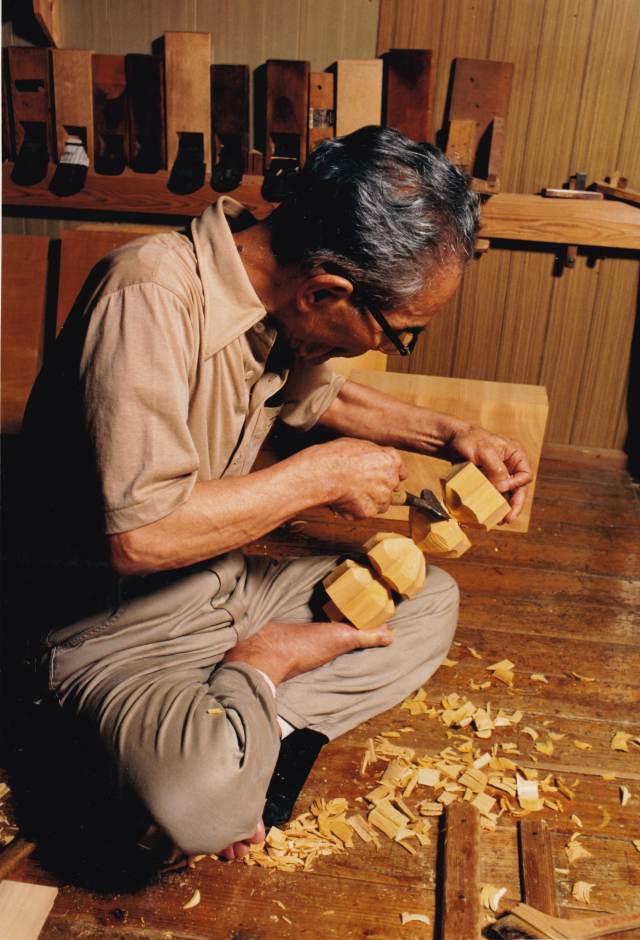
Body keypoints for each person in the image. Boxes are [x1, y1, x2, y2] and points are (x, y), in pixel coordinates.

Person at [19, 126, 531, 872]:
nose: (390, 350)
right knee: (195, 806)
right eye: (399, 334)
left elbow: (321, 396)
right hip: (105, 632)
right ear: (326, 291)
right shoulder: (150, 296)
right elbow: (142, 538)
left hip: (220, 587)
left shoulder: (274, 302)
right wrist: (318, 480)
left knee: (429, 603)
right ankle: (255, 683)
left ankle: (254, 705)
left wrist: (453, 434)